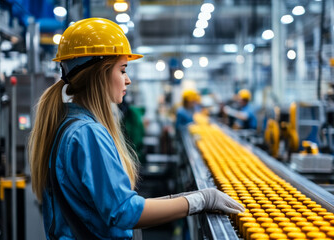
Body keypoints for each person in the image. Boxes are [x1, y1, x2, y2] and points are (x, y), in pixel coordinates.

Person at [28, 18, 244, 239]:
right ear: (101, 73)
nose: (128, 80)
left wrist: (189, 197)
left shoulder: (71, 125)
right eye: (122, 70)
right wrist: (200, 201)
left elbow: (115, 205)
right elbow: (124, 211)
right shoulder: (87, 133)